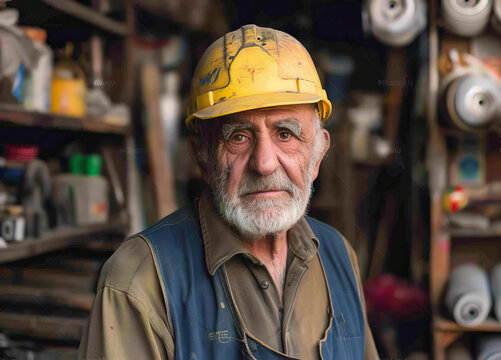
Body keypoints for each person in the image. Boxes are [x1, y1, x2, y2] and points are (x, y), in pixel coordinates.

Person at [79, 24, 379, 360]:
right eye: (238, 136)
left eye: (285, 134)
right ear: (202, 156)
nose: (264, 164)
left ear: (318, 153)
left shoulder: (339, 256)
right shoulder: (141, 279)